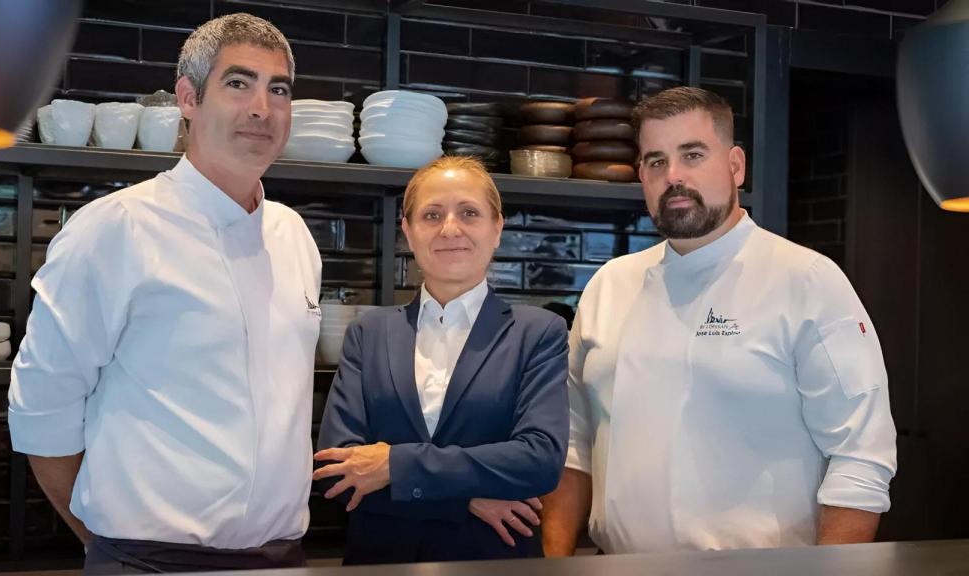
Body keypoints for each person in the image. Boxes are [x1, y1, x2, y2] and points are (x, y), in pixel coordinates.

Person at [7, 13, 320, 573]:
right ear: (187, 98)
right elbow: (42, 407)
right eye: (237, 83)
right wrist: (105, 541)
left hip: (280, 559)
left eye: (279, 90)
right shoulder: (115, 228)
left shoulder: (294, 235)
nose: (261, 108)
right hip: (148, 561)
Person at [541, 86, 897, 555]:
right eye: (655, 161)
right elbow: (574, 444)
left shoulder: (806, 281)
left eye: (692, 155)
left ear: (735, 166)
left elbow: (860, 456)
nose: (674, 177)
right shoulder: (610, 284)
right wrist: (555, 561)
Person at [314, 156, 570, 564]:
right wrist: (465, 500)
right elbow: (339, 470)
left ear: (497, 227)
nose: (450, 228)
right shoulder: (370, 332)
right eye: (432, 215)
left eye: (469, 213)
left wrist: (393, 464)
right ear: (408, 233)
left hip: (494, 563)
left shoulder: (538, 332)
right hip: (381, 562)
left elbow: (539, 460)